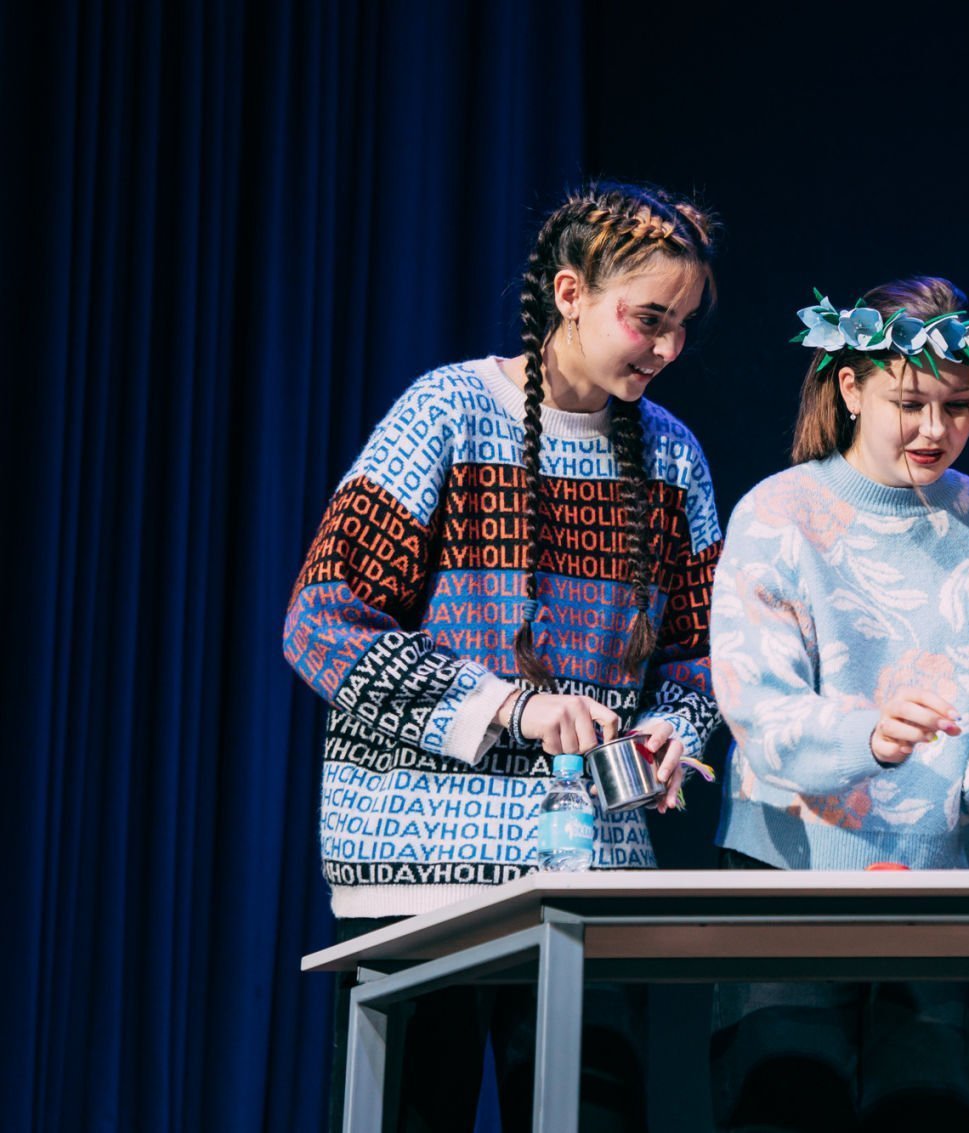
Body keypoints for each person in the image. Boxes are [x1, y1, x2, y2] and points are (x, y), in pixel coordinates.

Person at [282, 181, 723, 1132]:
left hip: (590, 870)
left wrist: (668, 734)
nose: (667, 348)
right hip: (417, 871)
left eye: (682, 326)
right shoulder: (446, 412)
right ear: (570, 293)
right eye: (649, 319)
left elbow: (701, 657)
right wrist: (509, 707)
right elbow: (321, 622)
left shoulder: (673, 458)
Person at [707, 276, 969, 1132]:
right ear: (851, 388)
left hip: (938, 892)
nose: (936, 430)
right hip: (789, 881)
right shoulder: (779, 514)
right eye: (910, 404)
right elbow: (759, 711)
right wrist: (870, 733)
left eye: (958, 406)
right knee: (785, 1112)